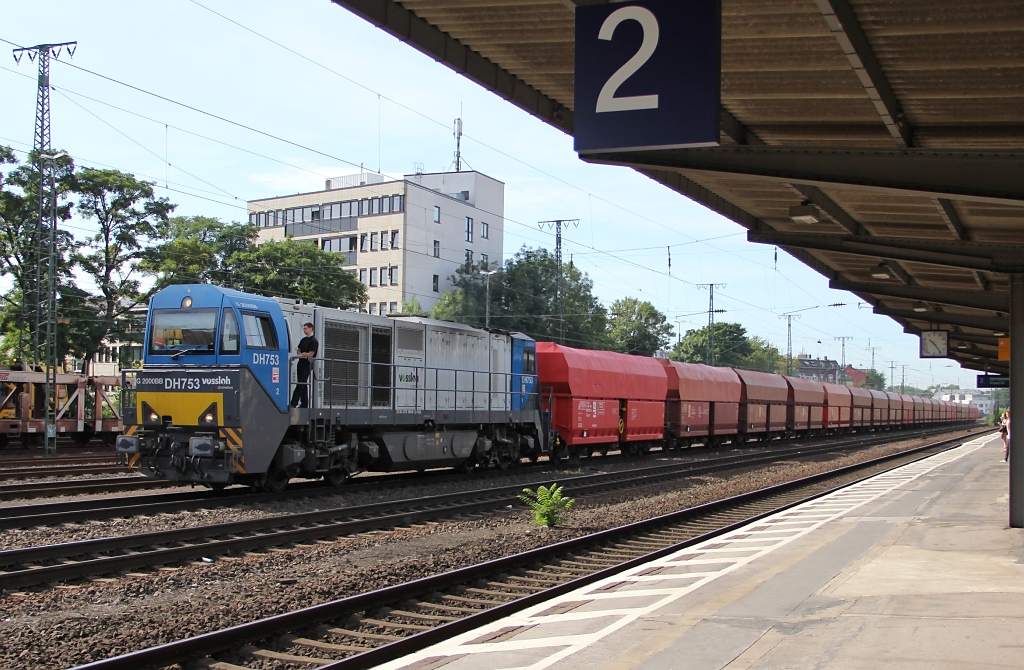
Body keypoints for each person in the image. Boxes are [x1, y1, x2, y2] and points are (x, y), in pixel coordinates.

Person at [290, 322, 318, 408]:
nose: (304, 330)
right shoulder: (303, 340)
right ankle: (304, 403)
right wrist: (302, 354)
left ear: (310, 329)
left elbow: (311, 354)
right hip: (301, 363)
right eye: (303, 328)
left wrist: (304, 354)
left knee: (301, 383)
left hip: (307, 364)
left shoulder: (314, 341)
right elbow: (299, 350)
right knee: (303, 384)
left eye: (305, 328)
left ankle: (293, 403)